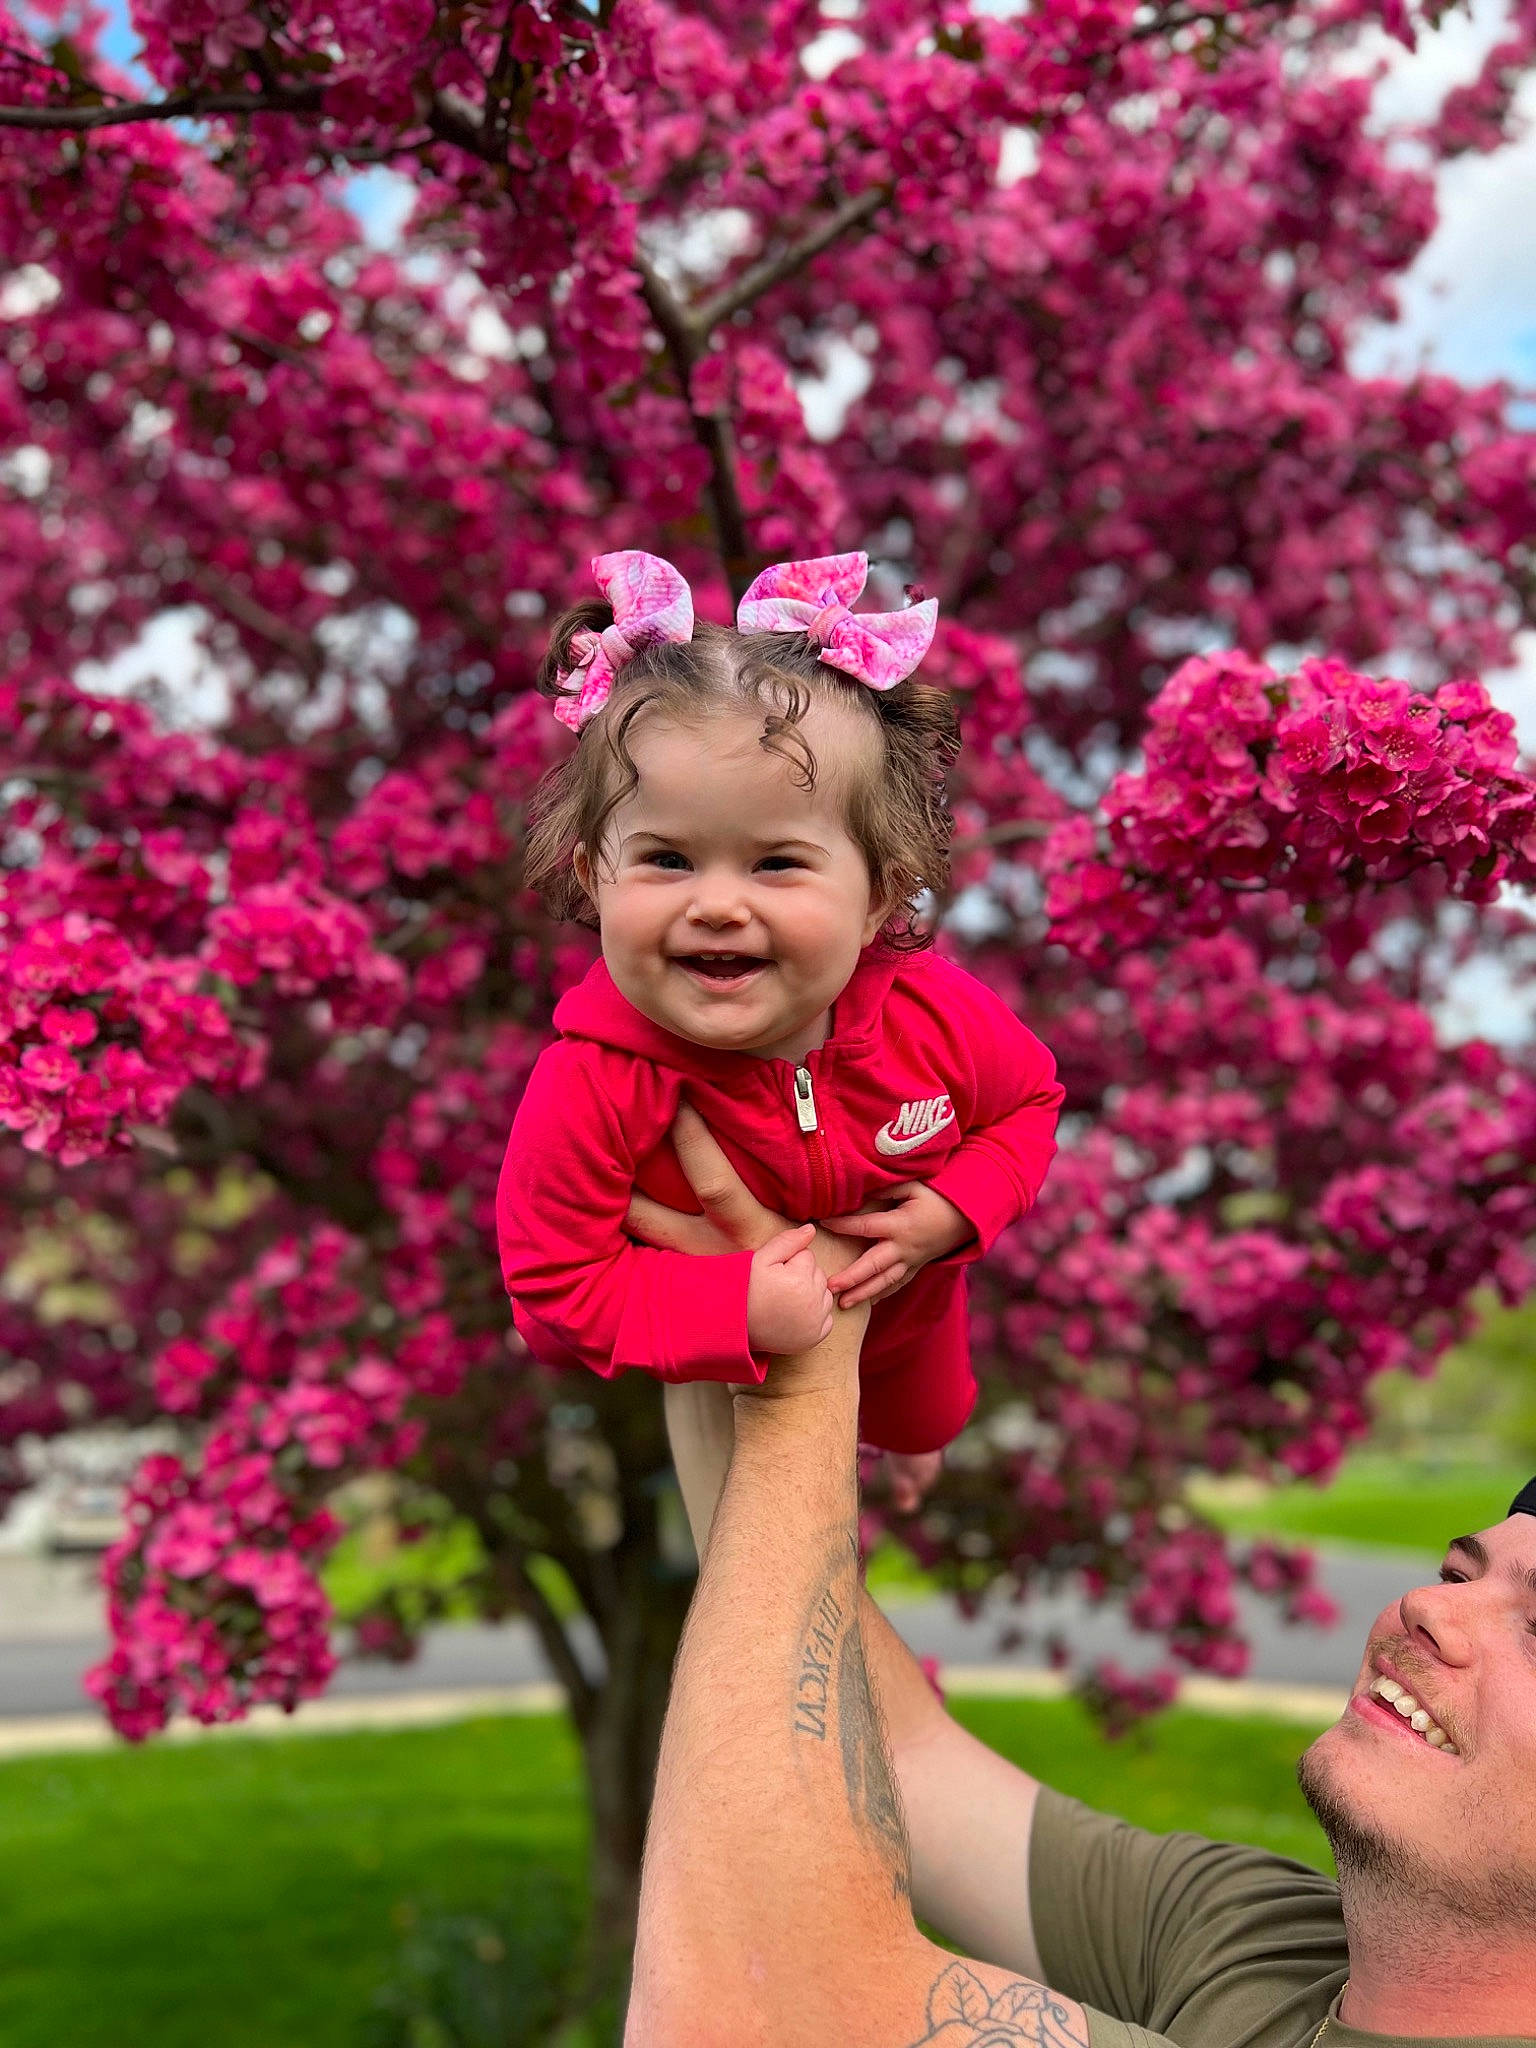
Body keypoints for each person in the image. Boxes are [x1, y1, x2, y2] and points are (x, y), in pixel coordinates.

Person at [624, 1107, 1536, 2047]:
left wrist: (804, 1391)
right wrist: (732, 1293)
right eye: (1459, 1570)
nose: (1428, 1606)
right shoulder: (1262, 1947)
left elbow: (746, 2005)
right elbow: (900, 1759)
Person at [497, 548, 1061, 1479]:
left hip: (906, 1314)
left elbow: (1029, 1101)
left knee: (928, 1426)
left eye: (777, 863)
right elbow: (552, 1288)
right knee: (755, 1535)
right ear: (593, 874)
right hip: (723, 1352)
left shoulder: (929, 1015)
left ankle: (908, 1453)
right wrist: (731, 1309)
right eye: (667, 860)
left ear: (880, 896)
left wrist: (957, 1211)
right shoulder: (597, 1078)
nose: (717, 904)